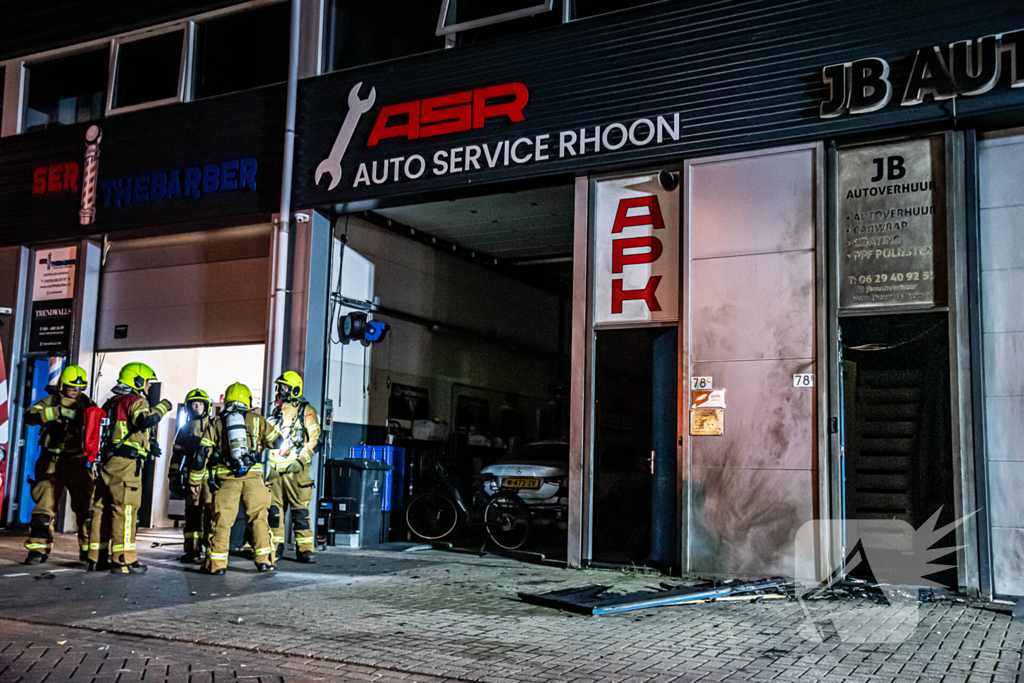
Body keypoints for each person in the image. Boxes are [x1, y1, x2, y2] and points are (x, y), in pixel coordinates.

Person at [87, 362, 172, 574]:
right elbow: (145, 420)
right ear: (137, 380)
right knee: (125, 512)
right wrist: (164, 406)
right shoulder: (136, 400)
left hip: (106, 464)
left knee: (101, 510)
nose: (149, 386)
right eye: (147, 382)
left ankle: (96, 558)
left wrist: (148, 445)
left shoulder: (111, 402)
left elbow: (121, 431)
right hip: (125, 467)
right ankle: (124, 559)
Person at [193, 382, 282, 575]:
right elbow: (278, 442)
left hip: (226, 479)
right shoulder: (257, 419)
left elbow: (201, 454)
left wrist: (194, 481)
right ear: (247, 400)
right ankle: (265, 561)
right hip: (253, 479)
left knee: (222, 522)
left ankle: (217, 566)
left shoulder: (216, 422)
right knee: (259, 519)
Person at [22, 365, 96, 565]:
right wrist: (55, 413)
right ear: (63, 384)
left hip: (78, 462)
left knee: (86, 509)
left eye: (80, 387)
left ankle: (89, 551)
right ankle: (38, 550)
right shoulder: (51, 401)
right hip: (51, 461)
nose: (76, 391)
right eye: (72, 387)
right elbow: (30, 415)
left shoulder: (88, 405)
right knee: (43, 510)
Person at [266, 371, 321, 563]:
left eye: (285, 387)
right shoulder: (275, 413)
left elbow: (314, 440)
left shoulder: (307, 411)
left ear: (294, 389)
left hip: (296, 472)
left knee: (300, 513)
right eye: (280, 387)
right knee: (274, 512)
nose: (281, 391)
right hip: (274, 472)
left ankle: (305, 549)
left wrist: (300, 461)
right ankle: (274, 548)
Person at [168, 388, 213, 564]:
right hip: (189, 478)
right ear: (187, 407)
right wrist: (173, 476)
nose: (197, 407)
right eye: (193, 404)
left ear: (206, 406)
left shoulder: (213, 426)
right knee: (192, 514)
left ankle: (211, 550)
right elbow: (176, 455)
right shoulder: (184, 430)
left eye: (200, 404)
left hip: (210, 479)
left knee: (209, 514)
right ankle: (191, 550)